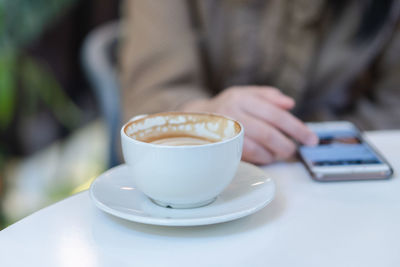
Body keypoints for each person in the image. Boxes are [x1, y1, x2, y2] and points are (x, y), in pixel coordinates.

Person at [119, 0, 400, 165]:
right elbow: (149, 98)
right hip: (209, 176)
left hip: (341, 185)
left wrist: (303, 142)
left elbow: (392, 109)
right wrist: (205, 117)